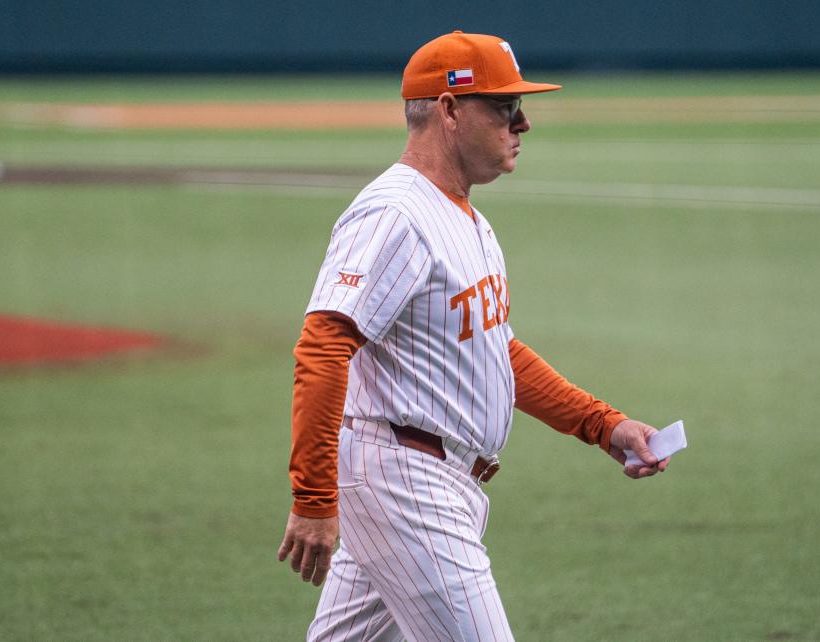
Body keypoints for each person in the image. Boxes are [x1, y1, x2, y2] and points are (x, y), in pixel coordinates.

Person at [277, 30, 669, 642]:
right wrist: (313, 497)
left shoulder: (466, 217)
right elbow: (324, 345)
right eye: (504, 107)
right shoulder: (395, 213)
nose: (523, 122)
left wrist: (602, 424)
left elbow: (495, 351)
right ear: (450, 110)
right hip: (406, 483)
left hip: (423, 476)